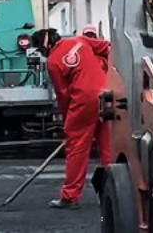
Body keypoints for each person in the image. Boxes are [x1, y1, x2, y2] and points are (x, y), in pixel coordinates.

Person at [32, 28, 112, 209]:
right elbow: (109, 48)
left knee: (77, 149)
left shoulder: (53, 63)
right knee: (108, 144)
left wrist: (69, 125)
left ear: (45, 45)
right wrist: (104, 70)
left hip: (82, 102)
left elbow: (64, 95)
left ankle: (70, 196)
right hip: (105, 95)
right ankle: (112, 185)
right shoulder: (82, 41)